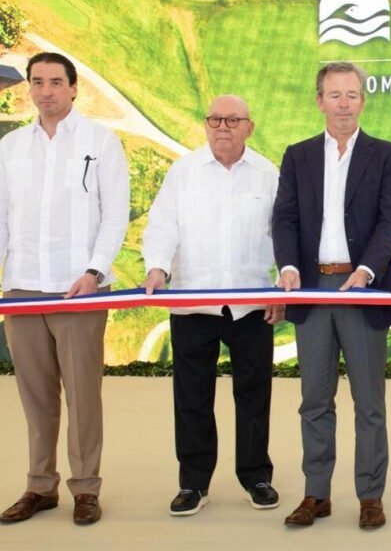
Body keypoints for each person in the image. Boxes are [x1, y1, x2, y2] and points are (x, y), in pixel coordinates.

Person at [272, 62, 391, 529]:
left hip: (363, 289)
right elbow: (285, 218)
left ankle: (370, 495)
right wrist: (289, 267)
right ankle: (316, 494)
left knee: (369, 401)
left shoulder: (387, 156)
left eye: (352, 94)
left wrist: (368, 270)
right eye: (335, 95)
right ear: (319, 101)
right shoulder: (298, 156)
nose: (344, 104)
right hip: (312, 289)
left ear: (363, 101)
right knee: (314, 399)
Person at [0, 52, 129, 525]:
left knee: (82, 396)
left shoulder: (100, 141)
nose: (46, 91)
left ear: (74, 88)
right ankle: (40, 486)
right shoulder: (11, 147)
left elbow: (115, 214)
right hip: (22, 290)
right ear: (29, 88)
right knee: (36, 399)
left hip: (79, 290)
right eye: (37, 82)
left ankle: (86, 488)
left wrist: (94, 271)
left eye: (56, 82)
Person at [142, 95, 284, 516]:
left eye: (233, 120)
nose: (223, 126)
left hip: (251, 305)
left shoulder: (268, 174)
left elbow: (284, 233)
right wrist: (157, 268)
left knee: (254, 394)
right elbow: (162, 225)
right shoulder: (183, 172)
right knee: (192, 398)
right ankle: (193, 483)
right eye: (215, 119)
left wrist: (282, 288)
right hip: (192, 303)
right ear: (205, 125)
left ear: (249, 127)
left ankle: (256, 476)